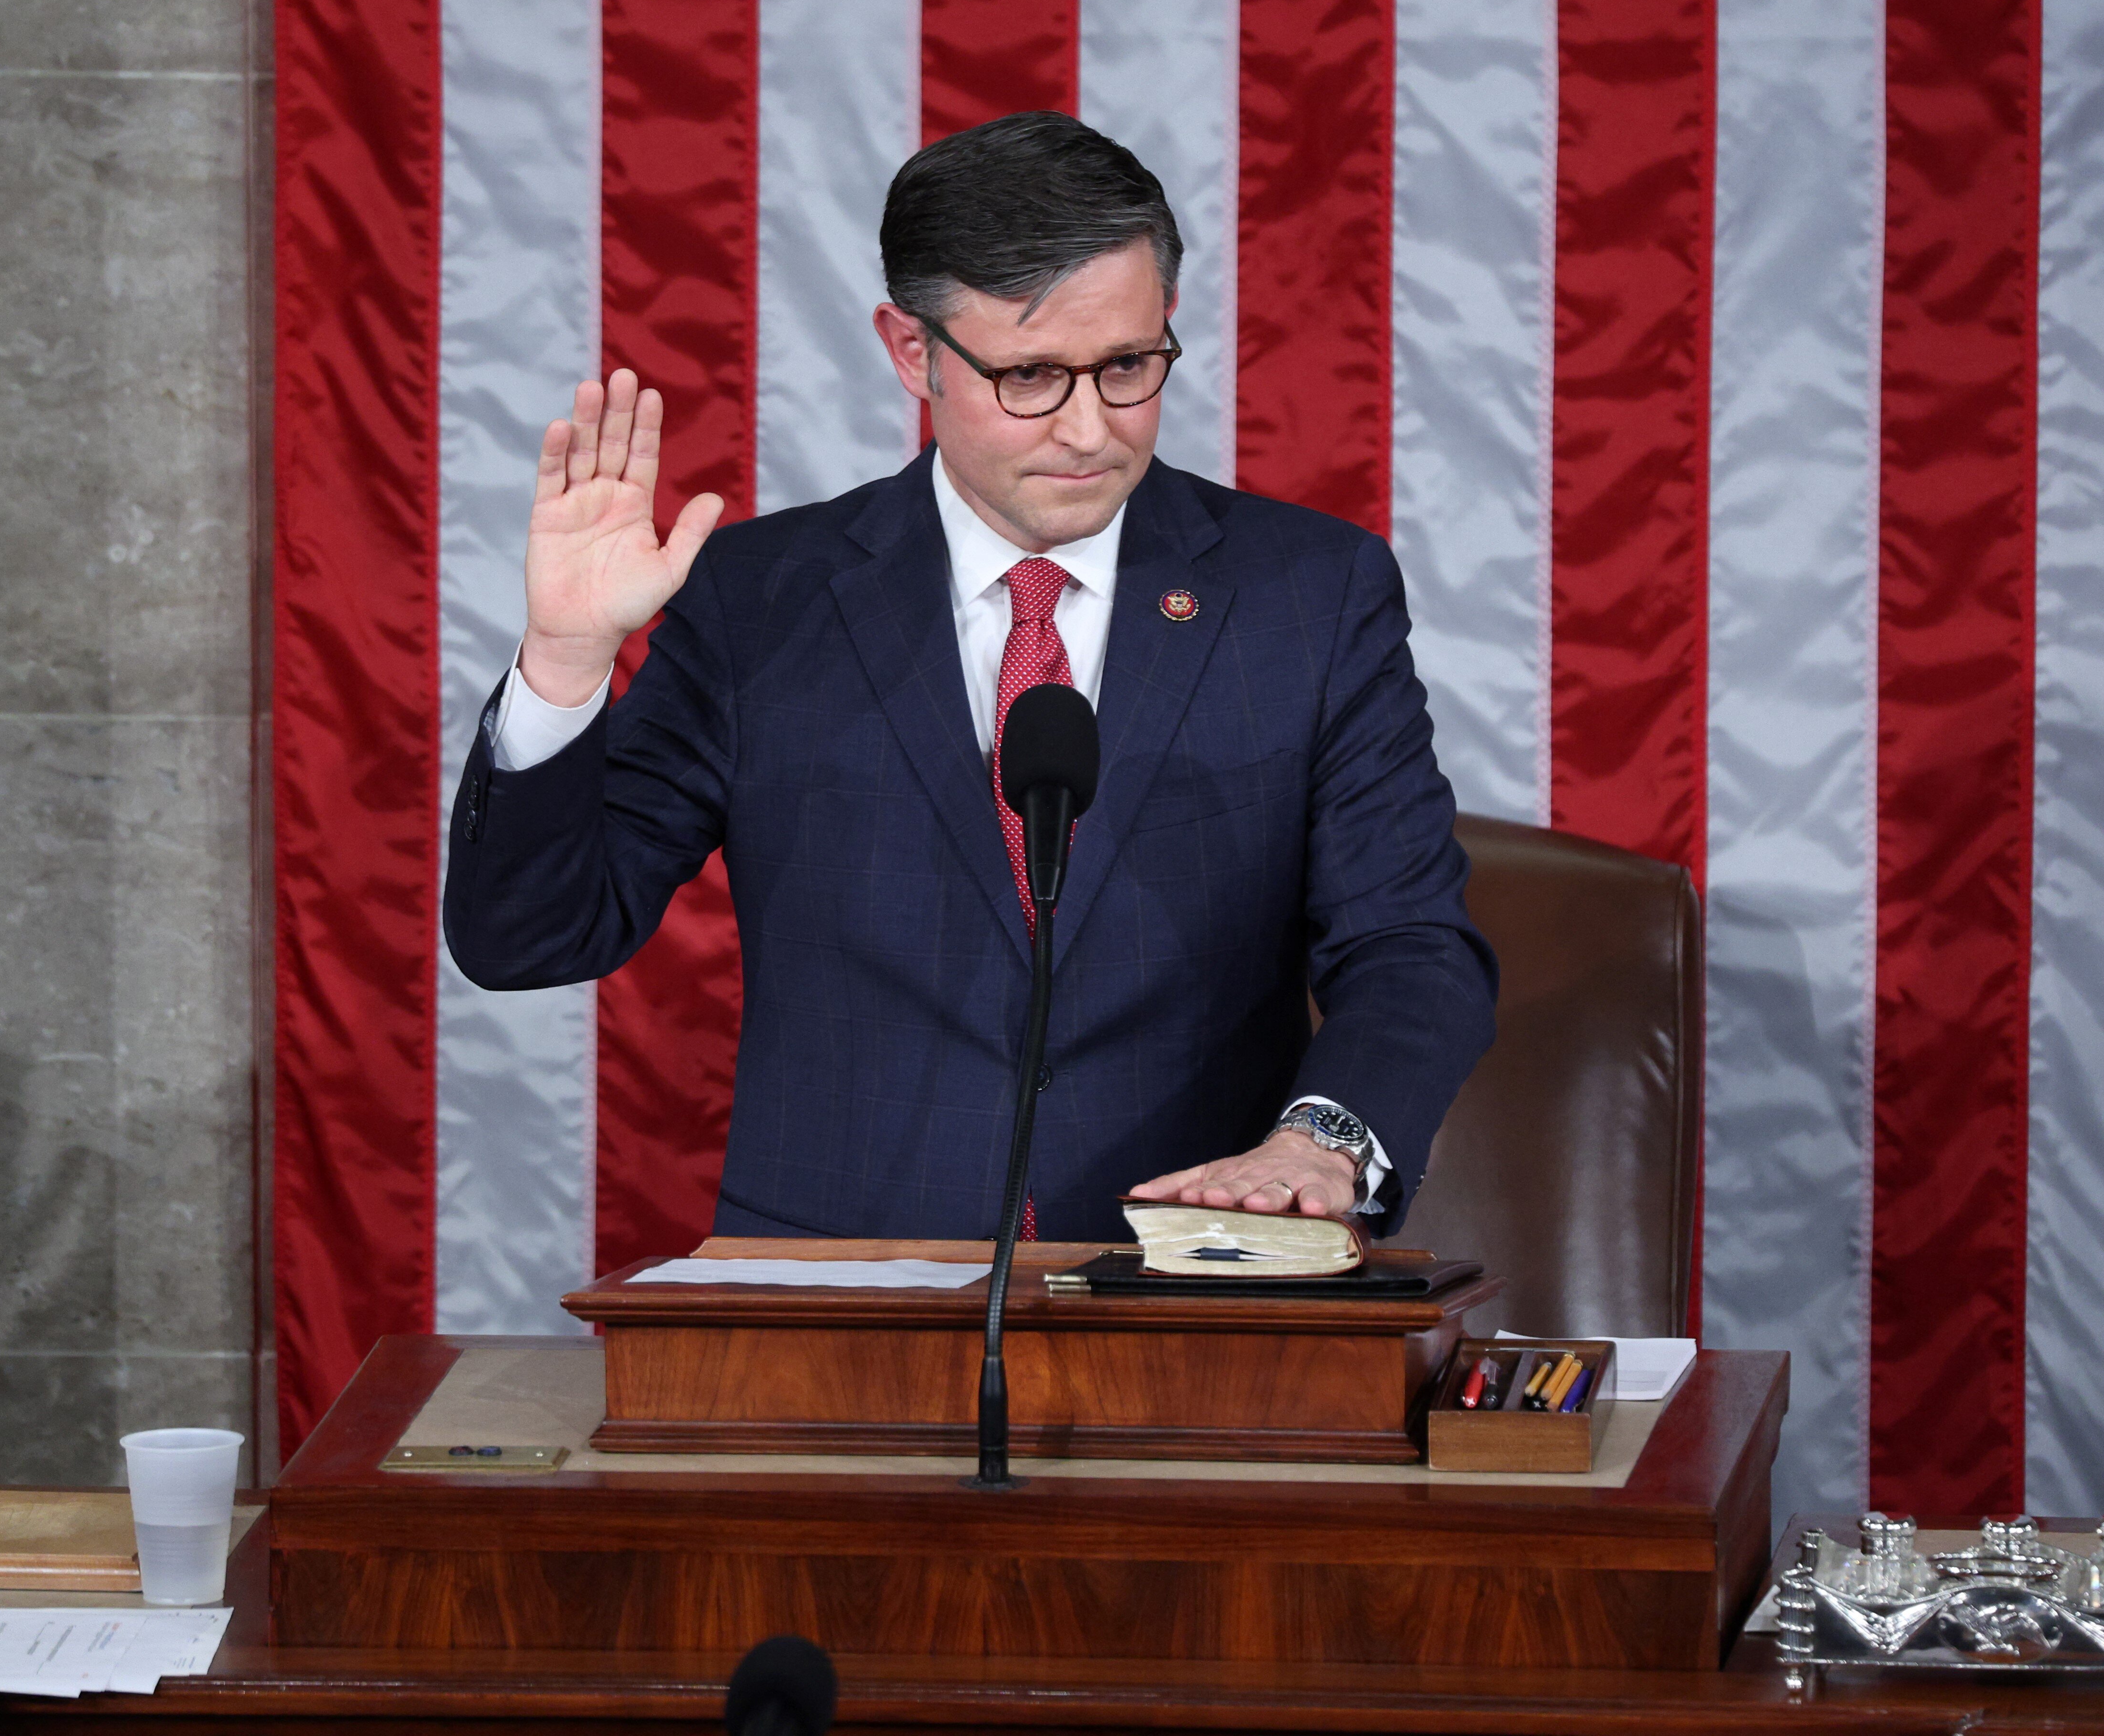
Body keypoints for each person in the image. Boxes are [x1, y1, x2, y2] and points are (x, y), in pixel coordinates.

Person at [445, 111, 1495, 1245]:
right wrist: (563, 660)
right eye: (1033, 375)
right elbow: (533, 939)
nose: (1091, 429)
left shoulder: (1308, 594)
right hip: (848, 1301)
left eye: (1130, 368)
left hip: (1196, 1281)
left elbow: (1408, 942)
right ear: (914, 351)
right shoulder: (761, 599)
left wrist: (1318, 1142)